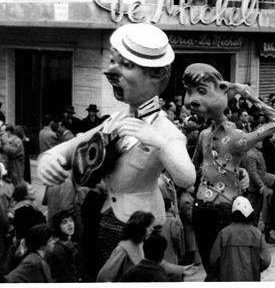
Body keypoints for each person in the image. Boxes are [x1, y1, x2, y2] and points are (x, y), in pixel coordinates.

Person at [37, 23, 196, 264]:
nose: (112, 71)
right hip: (105, 217)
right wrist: (50, 158)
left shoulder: (165, 131)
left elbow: (186, 177)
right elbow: (75, 144)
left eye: (127, 65)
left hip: (141, 228)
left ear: (157, 76)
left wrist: (159, 142)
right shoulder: (116, 119)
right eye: (113, 62)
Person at [183, 63, 275, 280]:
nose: (191, 99)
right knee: (216, 267)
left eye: (200, 91)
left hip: (213, 208)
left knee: (217, 267)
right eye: (190, 92)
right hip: (211, 207)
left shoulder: (235, 138)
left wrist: (245, 93)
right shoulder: (205, 136)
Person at [209, 196, 271, 281]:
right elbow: (266, 261)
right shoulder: (257, 234)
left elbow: (213, 260)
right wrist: (256, 267)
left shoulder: (223, 233)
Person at [97, 211, 155, 282]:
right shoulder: (122, 249)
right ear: (140, 228)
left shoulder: (140, 244)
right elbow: (104, 276)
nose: (152, 229)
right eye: (148, 226)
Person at [46, 209, 84, 282]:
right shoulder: (57, 248)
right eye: (64, 222)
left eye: (71, 220)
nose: (69, 224)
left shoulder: (75, 242)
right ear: (58, 226)